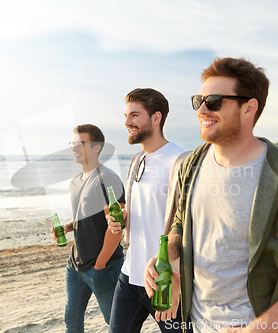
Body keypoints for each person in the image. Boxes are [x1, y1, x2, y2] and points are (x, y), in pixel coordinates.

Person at [144, 57, 278, 333]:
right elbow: (181, 221)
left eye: (213, 101)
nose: (201, 109)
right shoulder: (191, 165)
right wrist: (168, 255)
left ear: (249, 108)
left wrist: (258, 329)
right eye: (197, 100)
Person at [107, 88, 192, 333]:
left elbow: (189, 224)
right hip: (129, 274)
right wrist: (123, 219)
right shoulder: (137, 160)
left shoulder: (180, 161)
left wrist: (176, 279)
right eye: (126, 116)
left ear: (156, 118)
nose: (126, 122)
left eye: (134, 115)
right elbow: (145, 208)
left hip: (164, 279)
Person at [51, 124, 125, 333]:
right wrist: (69, 227)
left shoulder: (107, 179)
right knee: (71, 322)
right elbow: (87, 216)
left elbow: (117, 226)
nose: (74, 148)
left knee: (116, 324)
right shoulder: (75, 182)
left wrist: (100, 264)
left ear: (96, 148)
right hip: (75, 265)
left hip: (104, 267)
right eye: (72, 143)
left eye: (79, 143)